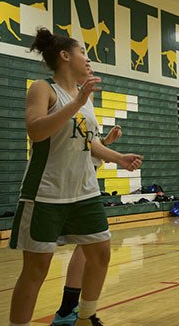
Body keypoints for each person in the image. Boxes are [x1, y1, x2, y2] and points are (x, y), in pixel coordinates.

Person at [9, 27, 143, 326]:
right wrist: (76, 103)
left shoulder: (82, 98)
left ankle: (84, 316)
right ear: (65, 55)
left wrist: (118, 157)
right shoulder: (43, 88)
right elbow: (36, 130)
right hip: (46, 192)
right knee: (36, 271)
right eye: (83, 51)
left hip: (84, 192)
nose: (87, 58)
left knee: (101, 255)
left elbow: (89, 142)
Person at [51, 121, 122, 326]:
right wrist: (118, 157)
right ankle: (69, 312)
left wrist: (106, 142)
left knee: (89, 245)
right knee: (38, 261)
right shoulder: (66, 102)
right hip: (63, 185)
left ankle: (69, 311)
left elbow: (89, 147)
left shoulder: (87, 110)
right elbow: (75, 145)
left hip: (84, 183)